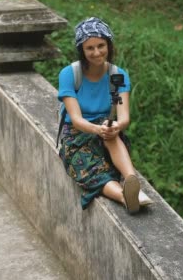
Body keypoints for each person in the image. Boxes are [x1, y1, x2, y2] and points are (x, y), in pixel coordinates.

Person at [57, 17, 152, 213]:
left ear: (109, 45)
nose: (96, 52)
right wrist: (96, 129)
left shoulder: (118, 75)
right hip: (76, 134)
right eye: (89, 48)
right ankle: (125, 196)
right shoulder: (69, 74)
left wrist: (116, 126)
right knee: (91, 169)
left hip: (107, 131)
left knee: (111, 134)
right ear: (82, 51)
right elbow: (76, 118)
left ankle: (131, 180)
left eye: (101, 46)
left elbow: (124, 116)